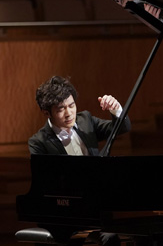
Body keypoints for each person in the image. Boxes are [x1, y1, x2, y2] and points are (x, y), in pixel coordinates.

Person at [28, 76, 130, 246]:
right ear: (47, 112)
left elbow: (122, 128)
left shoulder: (86, 121)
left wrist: (116, 110)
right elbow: (45, 183)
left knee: (118, 236)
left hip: (95, 209)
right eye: (61, 109)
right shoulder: (38, 142)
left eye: (72, 105)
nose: (69, 113)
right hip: (65, 214)